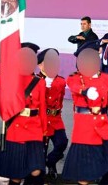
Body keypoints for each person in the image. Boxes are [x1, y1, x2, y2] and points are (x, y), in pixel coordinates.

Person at [0, 43, 47, 185]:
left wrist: (44, 132)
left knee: (36, 171)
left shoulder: (39, 82)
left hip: (34, 130)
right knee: (16, 175)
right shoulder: (8, 78)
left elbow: (42, 108)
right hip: (15, 129)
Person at [62, 56, 108, 185]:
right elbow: (73, 86)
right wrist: (85, 91)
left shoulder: (106, 78)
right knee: (84, 176)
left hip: (102, 126)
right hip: (85, 129)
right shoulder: (75, 77)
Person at [36, 48, 68, 180]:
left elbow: (60, 99)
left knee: (62, 143)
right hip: (40, 119)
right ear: (40, 65)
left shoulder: (60, 81)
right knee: (41, 150)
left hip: (55, 119)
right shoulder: (36, 80)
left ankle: (51, 162)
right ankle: (40, 174)